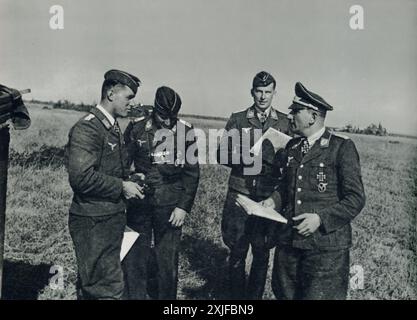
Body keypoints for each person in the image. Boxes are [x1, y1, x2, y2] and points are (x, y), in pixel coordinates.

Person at [270, 82, 366, 300]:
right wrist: (272, 201)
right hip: (289, 243)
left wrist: (320, 219)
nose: (290, 115)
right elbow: (286, 188)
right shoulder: (293, 146)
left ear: (312, 116)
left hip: (325, 249)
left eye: (295, 111)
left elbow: (356, 198)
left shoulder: (341, 147)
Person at [65, 69, 144, 300]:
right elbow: (81, 177)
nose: (132, 103)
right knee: (107, 289)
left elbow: (106, 170)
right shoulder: (89, 128)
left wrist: (131, 179)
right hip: (94, 221)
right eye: (128, 97)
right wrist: (122, 186)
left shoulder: (111, 126)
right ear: (111, 93)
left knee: (93, 287)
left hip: (107, 219)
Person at [217, 71, 291, 299]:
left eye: (268, 92)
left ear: (274, 94)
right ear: (252, 92)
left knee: (262, 252)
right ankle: (237, 299)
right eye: (259, 91)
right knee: (237, 250)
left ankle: (254, 298)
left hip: (267, 196)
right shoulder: (238, 119)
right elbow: (222, 154)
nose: (263, 96)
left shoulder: (285, 122)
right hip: (241, 193)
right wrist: (245, 157)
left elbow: (291, 158)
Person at [122, 86, 200, 299]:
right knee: (135, 259)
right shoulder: (137, 128)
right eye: (164, 116)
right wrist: (130, 180)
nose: (168, 122)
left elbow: (192, 174)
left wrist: (183, 207)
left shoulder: (186, 131)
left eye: (172, 117)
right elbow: (122, 164)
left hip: (170, 205)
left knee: (167, 261)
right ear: (155, 110)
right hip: (140, 202)